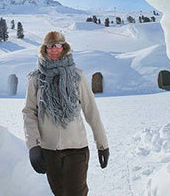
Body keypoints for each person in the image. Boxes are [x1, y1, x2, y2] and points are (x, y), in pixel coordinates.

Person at [22, 31, 109, 196]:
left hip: (76, 149)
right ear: (44, 49)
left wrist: (102, 145)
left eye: (58, 45)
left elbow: (91, 111)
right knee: (59, 193)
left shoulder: (77, 76)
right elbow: (29, 112)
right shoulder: (36, 79)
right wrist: (33, 145)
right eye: (50, 46)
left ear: (64, 47)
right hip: (49, 150)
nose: (54, 50)